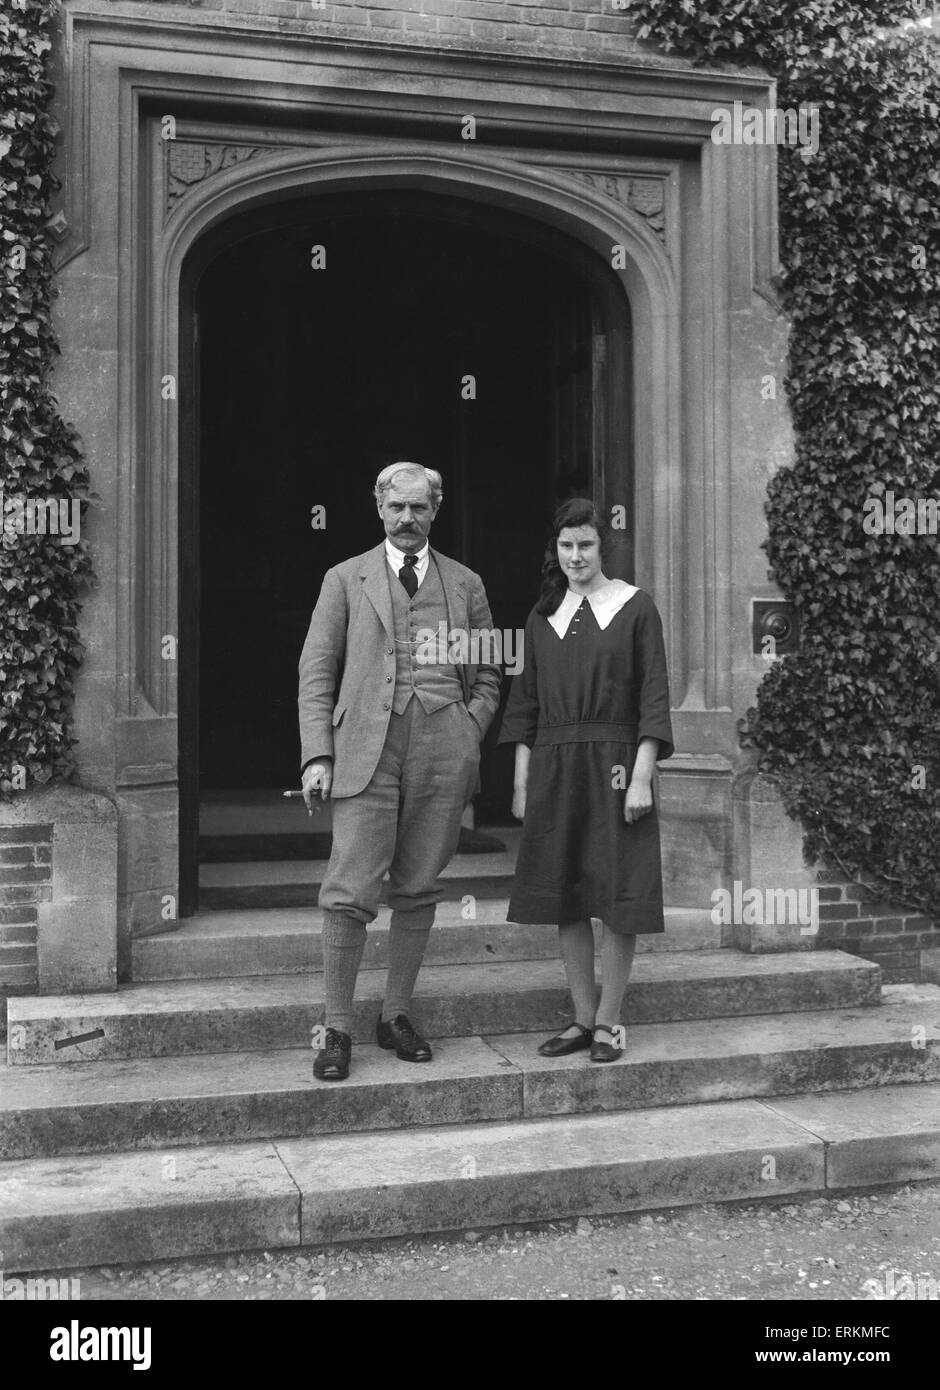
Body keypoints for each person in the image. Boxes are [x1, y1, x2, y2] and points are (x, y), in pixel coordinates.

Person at [298, 463, 502, 1081]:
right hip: (366, 749)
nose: (407, 519)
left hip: (443, 750)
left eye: (419, 507)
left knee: (417, 884)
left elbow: (490, 672)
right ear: (379, 509)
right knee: (349, 887)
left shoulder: (466, 584)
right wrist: (317, 754)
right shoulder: (345, 578)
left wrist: (469, 730)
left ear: (435, 510)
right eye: (397, 508)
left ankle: (396, 1014)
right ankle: (336, 1026)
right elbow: (316, 670)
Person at [497, 498, 674, 1062]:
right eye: (566, 546)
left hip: (619, 764)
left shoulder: (635, 607)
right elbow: (523, 706)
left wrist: (642, 776)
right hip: (556, 764)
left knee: (620, 896)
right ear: (556, 550)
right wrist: (523, 783)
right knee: (567, 893)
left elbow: (654, 697)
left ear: (604, 547)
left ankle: (609, 1022)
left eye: (586, 545)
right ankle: (579, 1018)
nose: (576, 556)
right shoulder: (540, 615)